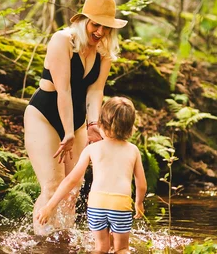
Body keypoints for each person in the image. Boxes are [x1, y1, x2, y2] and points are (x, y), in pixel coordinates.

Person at [24, 0, 127, 235]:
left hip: (78, 120)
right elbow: (64, 89)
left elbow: (95, 90)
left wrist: (93, 125)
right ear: (83, 21)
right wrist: (68, 132)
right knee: (52, 186)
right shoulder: (62, 40)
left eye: (106, 27)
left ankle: (63, 241)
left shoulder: (104, 52)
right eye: (96, 24)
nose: (100, 31)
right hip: (45, 116)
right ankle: (42, 243)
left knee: (74, 188)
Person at [36, 97, 147, 254]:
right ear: (131, 128)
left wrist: (49, 207)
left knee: (101, 248)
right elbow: (141, 184)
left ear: (100, 124)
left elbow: (70, 180)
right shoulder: (133, 150)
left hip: (96, 204)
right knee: (122, 248)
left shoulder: (92, 149)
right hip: (120, 204)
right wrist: (139, 203)